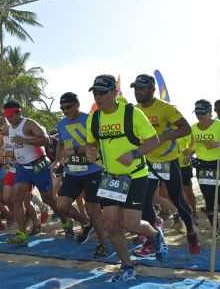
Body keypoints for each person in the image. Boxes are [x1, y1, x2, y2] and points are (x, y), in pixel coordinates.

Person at [85, 74, 167, 282]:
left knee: (132, 224)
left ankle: (156, 235)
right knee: (111, 224)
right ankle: (127, 265)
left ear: (114, 92)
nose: (98, 97)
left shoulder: (132, 113)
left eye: (103, 92)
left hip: (136, 175)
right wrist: (90, 152)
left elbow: (153, 141)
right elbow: (90, 144)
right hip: (111, 177)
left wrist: (133, 154)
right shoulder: (94, 118)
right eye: (95, 93)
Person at [131, 74, 200, 255]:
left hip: (168, 161)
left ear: (152, 90)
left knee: (177, 198)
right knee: (145, 201)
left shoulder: (166, 109)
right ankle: (154, 238)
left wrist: (162, 137)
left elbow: (186, 128)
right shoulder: (134, 111)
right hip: (149, 162)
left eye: (142, 88)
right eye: (136, 88)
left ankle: (191, 232)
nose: (138, 92)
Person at [3, 100, 67, 245]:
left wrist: (25, 139)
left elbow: (47, 140)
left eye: (11, 116)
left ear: (18, 112)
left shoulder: (29, 124)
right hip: (22, 168)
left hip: (39, 166)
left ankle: (65, 221)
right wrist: (7, 157)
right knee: (16, 200)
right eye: (6, 116)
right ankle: (22, 234)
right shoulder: (8, 129)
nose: (9, 119)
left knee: (48, 199)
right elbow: (11, 147)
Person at [52, 92, 107, 257]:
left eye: (68, 107)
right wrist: (57, 159)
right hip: (72, 172)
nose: (65, 111)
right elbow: (61, 143)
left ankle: (103, 245)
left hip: (93, 171)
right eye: (62, 108)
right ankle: (85, 223)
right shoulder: (61, 124)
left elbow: (96, 145)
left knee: (93, 210)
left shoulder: (90, 119)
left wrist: (77, 150)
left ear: (77, 104)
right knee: (61, 206)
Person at [187, 100, 220, 234]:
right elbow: (192, 145)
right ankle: (215, 227)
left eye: (202, 113)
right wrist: (188, 154)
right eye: (197, 113)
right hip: (203, 166)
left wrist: (218, 143)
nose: (199, 116)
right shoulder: (193, 128)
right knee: (208, 198)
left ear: (210, 113)